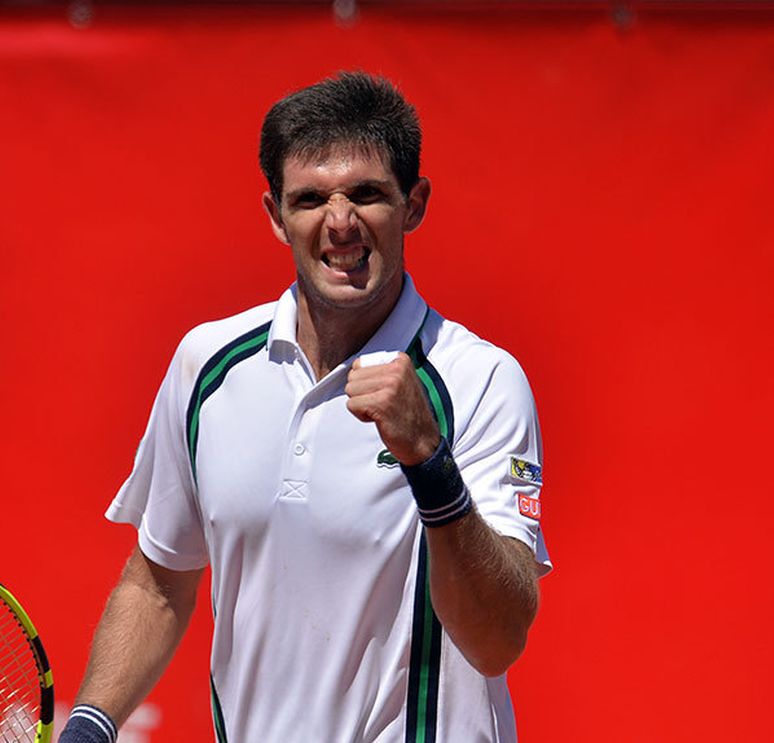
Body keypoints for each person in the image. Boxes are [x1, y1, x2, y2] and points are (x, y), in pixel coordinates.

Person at [58, 71, 550, 743]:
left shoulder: (482, 380)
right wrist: (91, 720)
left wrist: (431, 463)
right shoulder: (208, 365)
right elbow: (157, 581)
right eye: (311, 197)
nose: (340, 222)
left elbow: (499, 637)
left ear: (414, 205)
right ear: (274, 215)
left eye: (367, 194)